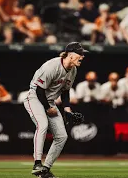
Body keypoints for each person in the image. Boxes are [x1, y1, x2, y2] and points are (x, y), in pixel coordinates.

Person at [23, 42, 88, 178]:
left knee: (62, 136)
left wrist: (67, 110)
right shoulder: (52, 66)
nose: (82, 56)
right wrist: (47, 108)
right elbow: (39, 90)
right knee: (42, 124)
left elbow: (65, 92)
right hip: (34, 98)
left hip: (50, 101)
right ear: (70, 55)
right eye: (80, 54)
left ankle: (45, 170)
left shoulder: (73, 70)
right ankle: (37, 163)